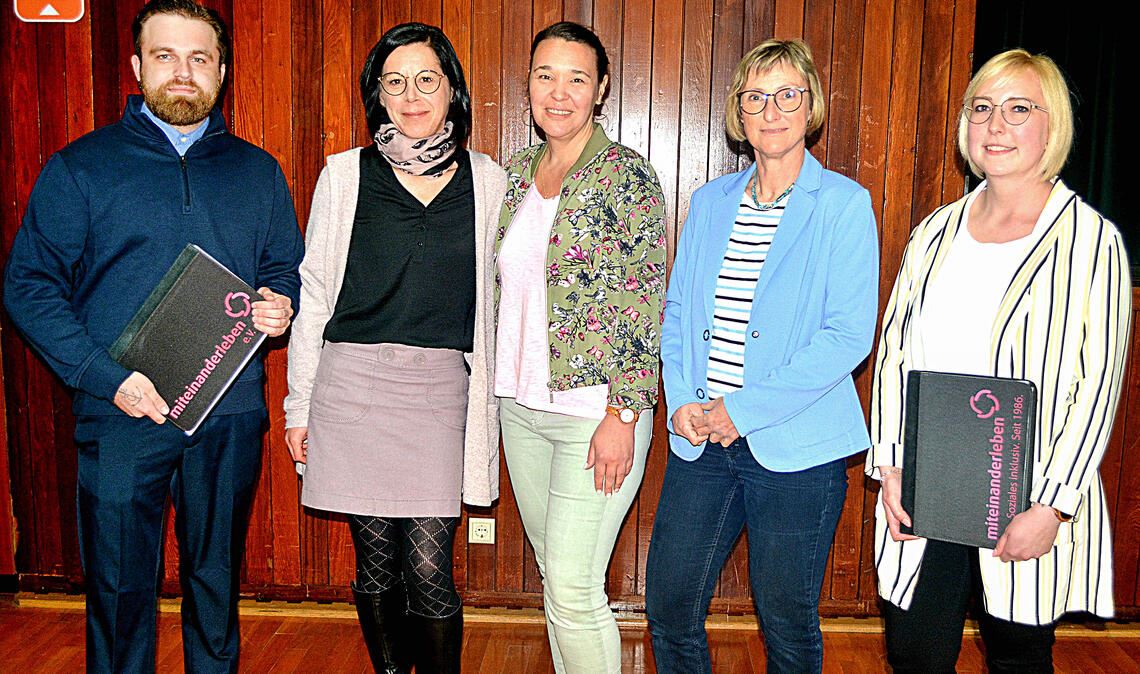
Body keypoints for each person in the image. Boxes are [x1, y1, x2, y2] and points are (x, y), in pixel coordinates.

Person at [2, 1, 304, 671]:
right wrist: (106, 378)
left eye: (199, 59)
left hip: (225, 412)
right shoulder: (81, 168)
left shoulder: (259, 172)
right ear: (138, 67)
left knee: (216, 582)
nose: (183, 73)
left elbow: (284, 268)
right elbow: (27, 286)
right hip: (119, 414)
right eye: (165, 56)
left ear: (222, 72)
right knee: (118, 591)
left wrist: (279, 303)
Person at [867, 48, 1130, 673]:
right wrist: (890, 467)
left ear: (1052, 125)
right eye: (982, 108)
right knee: (914, 653)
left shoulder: (1091, 241)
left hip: (1028, 493)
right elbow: (895, 352)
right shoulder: (935, 230)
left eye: (1019, 109)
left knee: (1017, 655)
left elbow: (1098, 383)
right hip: (926, 487)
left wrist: (1055, 505)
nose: (995, 125)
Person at [646, 38, 879, 673]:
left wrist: (740, 411)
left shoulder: (843, 205)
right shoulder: (711, 202)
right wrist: (687, 404)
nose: (771, 110)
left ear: (811, 108)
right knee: (668, 605)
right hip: (702, 443)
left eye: (787, 95)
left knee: (786, 622)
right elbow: (677, 317)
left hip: (797, 449)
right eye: (755, 97)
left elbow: (847, 335)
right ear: (738, 113)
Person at [282, 23, 506, 674]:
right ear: (377, 94)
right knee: (376, 560)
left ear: (452, 89)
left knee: (431, 566)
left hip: (439, 391)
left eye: (427, 79)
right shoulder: (344, 176)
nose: (412, 96)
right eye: (395, 82)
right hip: (351, 385)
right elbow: (316, 295)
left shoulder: (488, 182)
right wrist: (300, 407)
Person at [494, 21, 666, 674]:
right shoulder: (513, 175)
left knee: (571, 588)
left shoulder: (628, 177)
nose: (558, 92)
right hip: (522, 409)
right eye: (545, 75)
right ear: (528, 84)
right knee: (557, 577)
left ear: (600, 91)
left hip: (596, 415)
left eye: (576, 78)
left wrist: (623, 416)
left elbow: (643, 301)